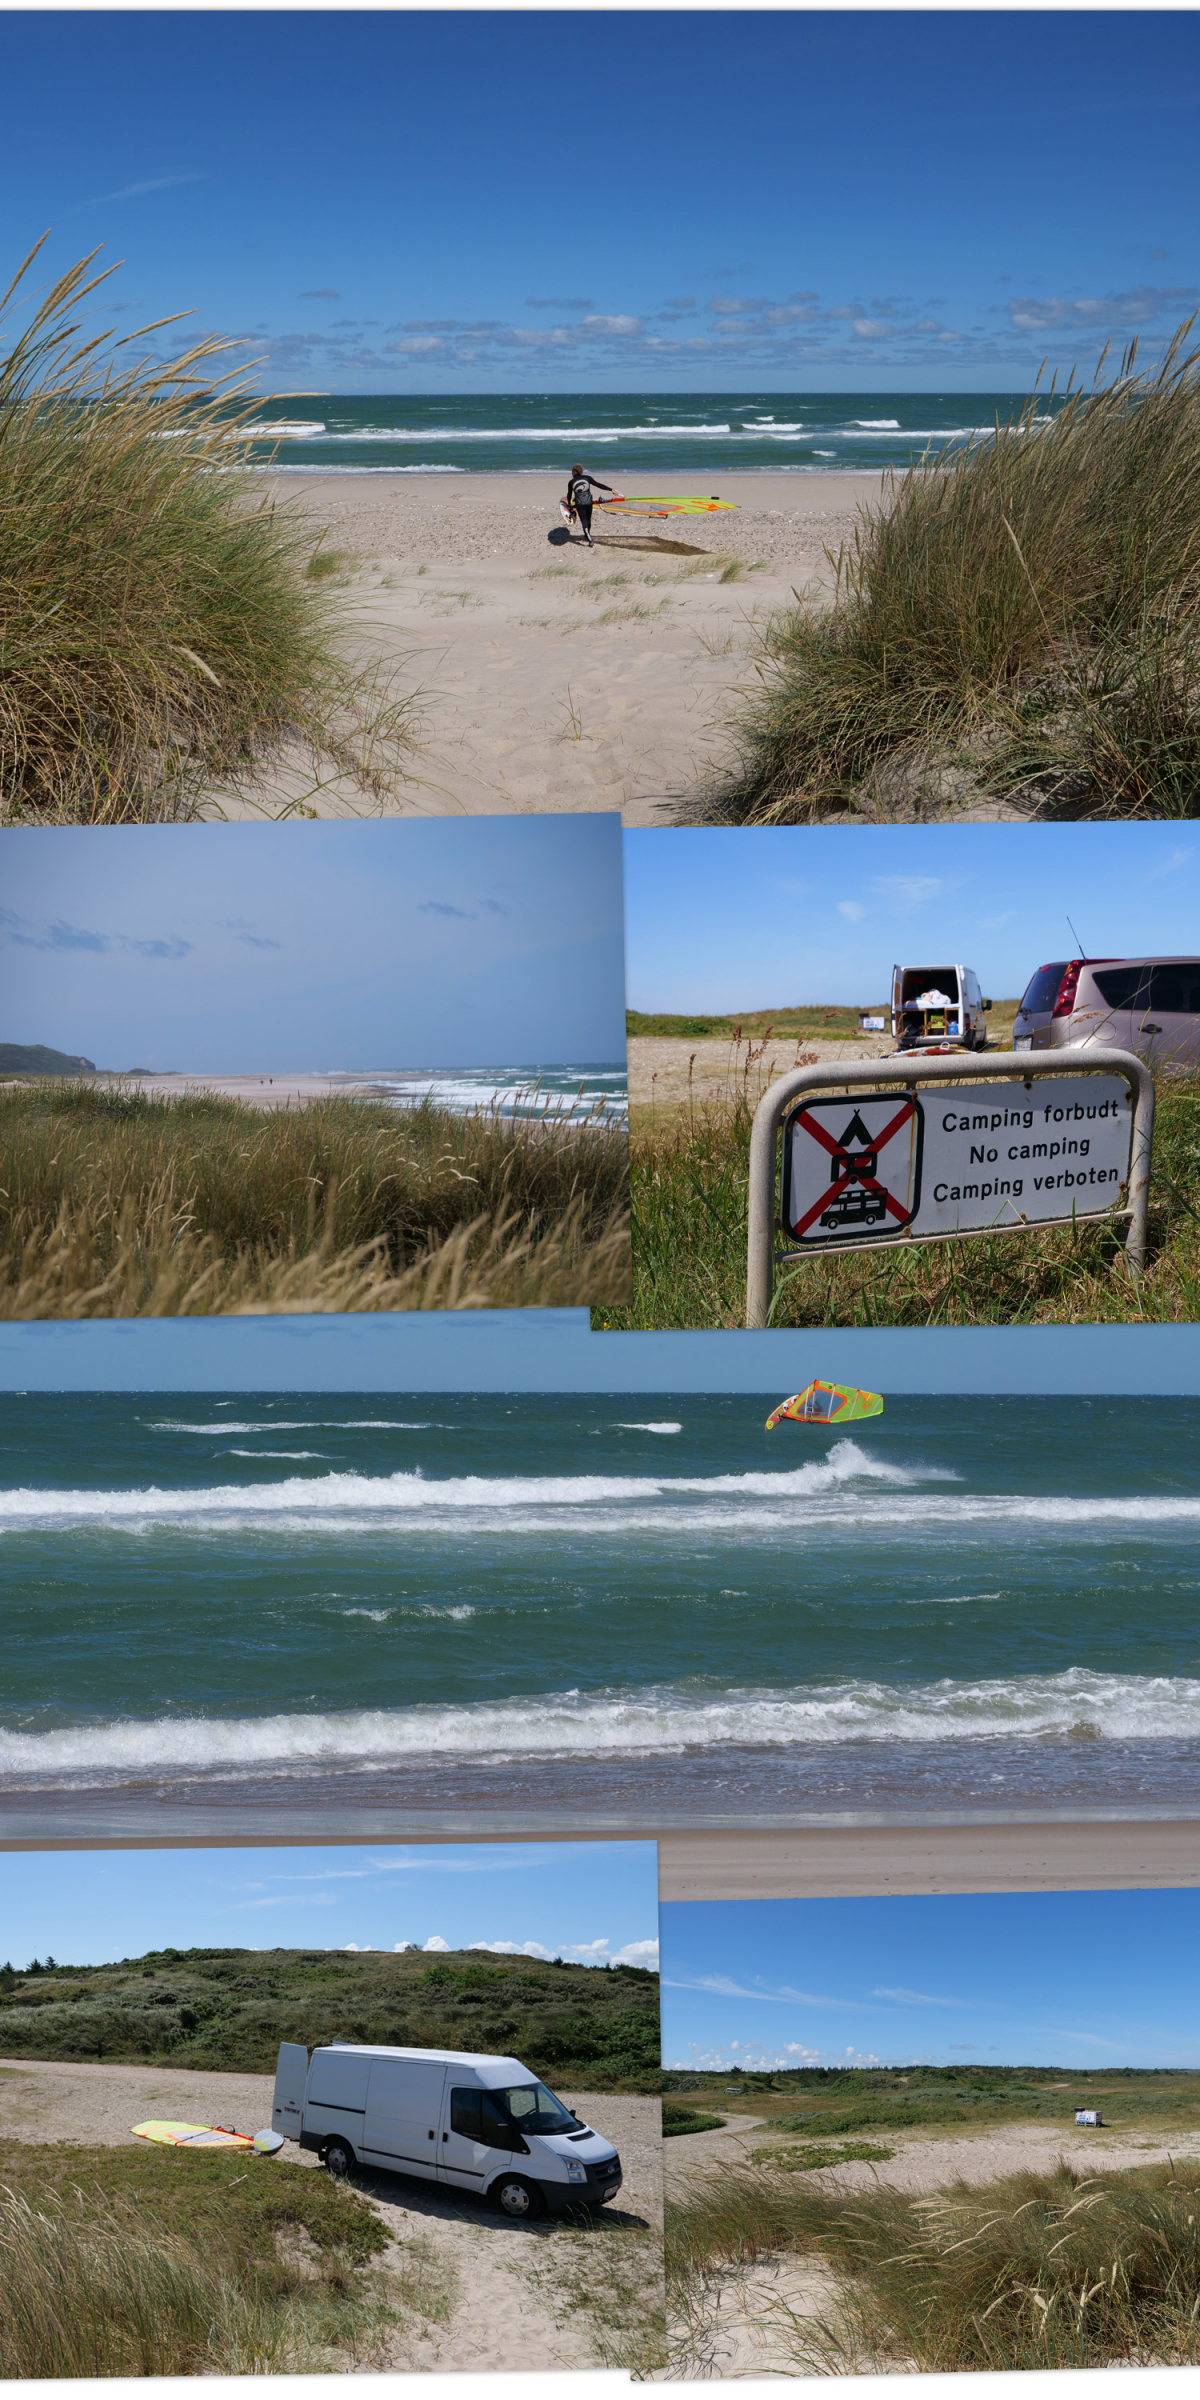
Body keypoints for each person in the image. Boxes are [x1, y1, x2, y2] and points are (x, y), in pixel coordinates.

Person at [565, 462, 612, 547]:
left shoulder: (571, 482)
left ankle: (589, 539)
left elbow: (569, 494)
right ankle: (587, 535)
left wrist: (569, 504)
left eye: (572, 471)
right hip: (588, 502)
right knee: (588, 519)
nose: (571, 473)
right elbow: (598, 485)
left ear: (575, 471)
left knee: (584, 521)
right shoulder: (587, 478)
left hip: (579, 503)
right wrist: (611, 489)